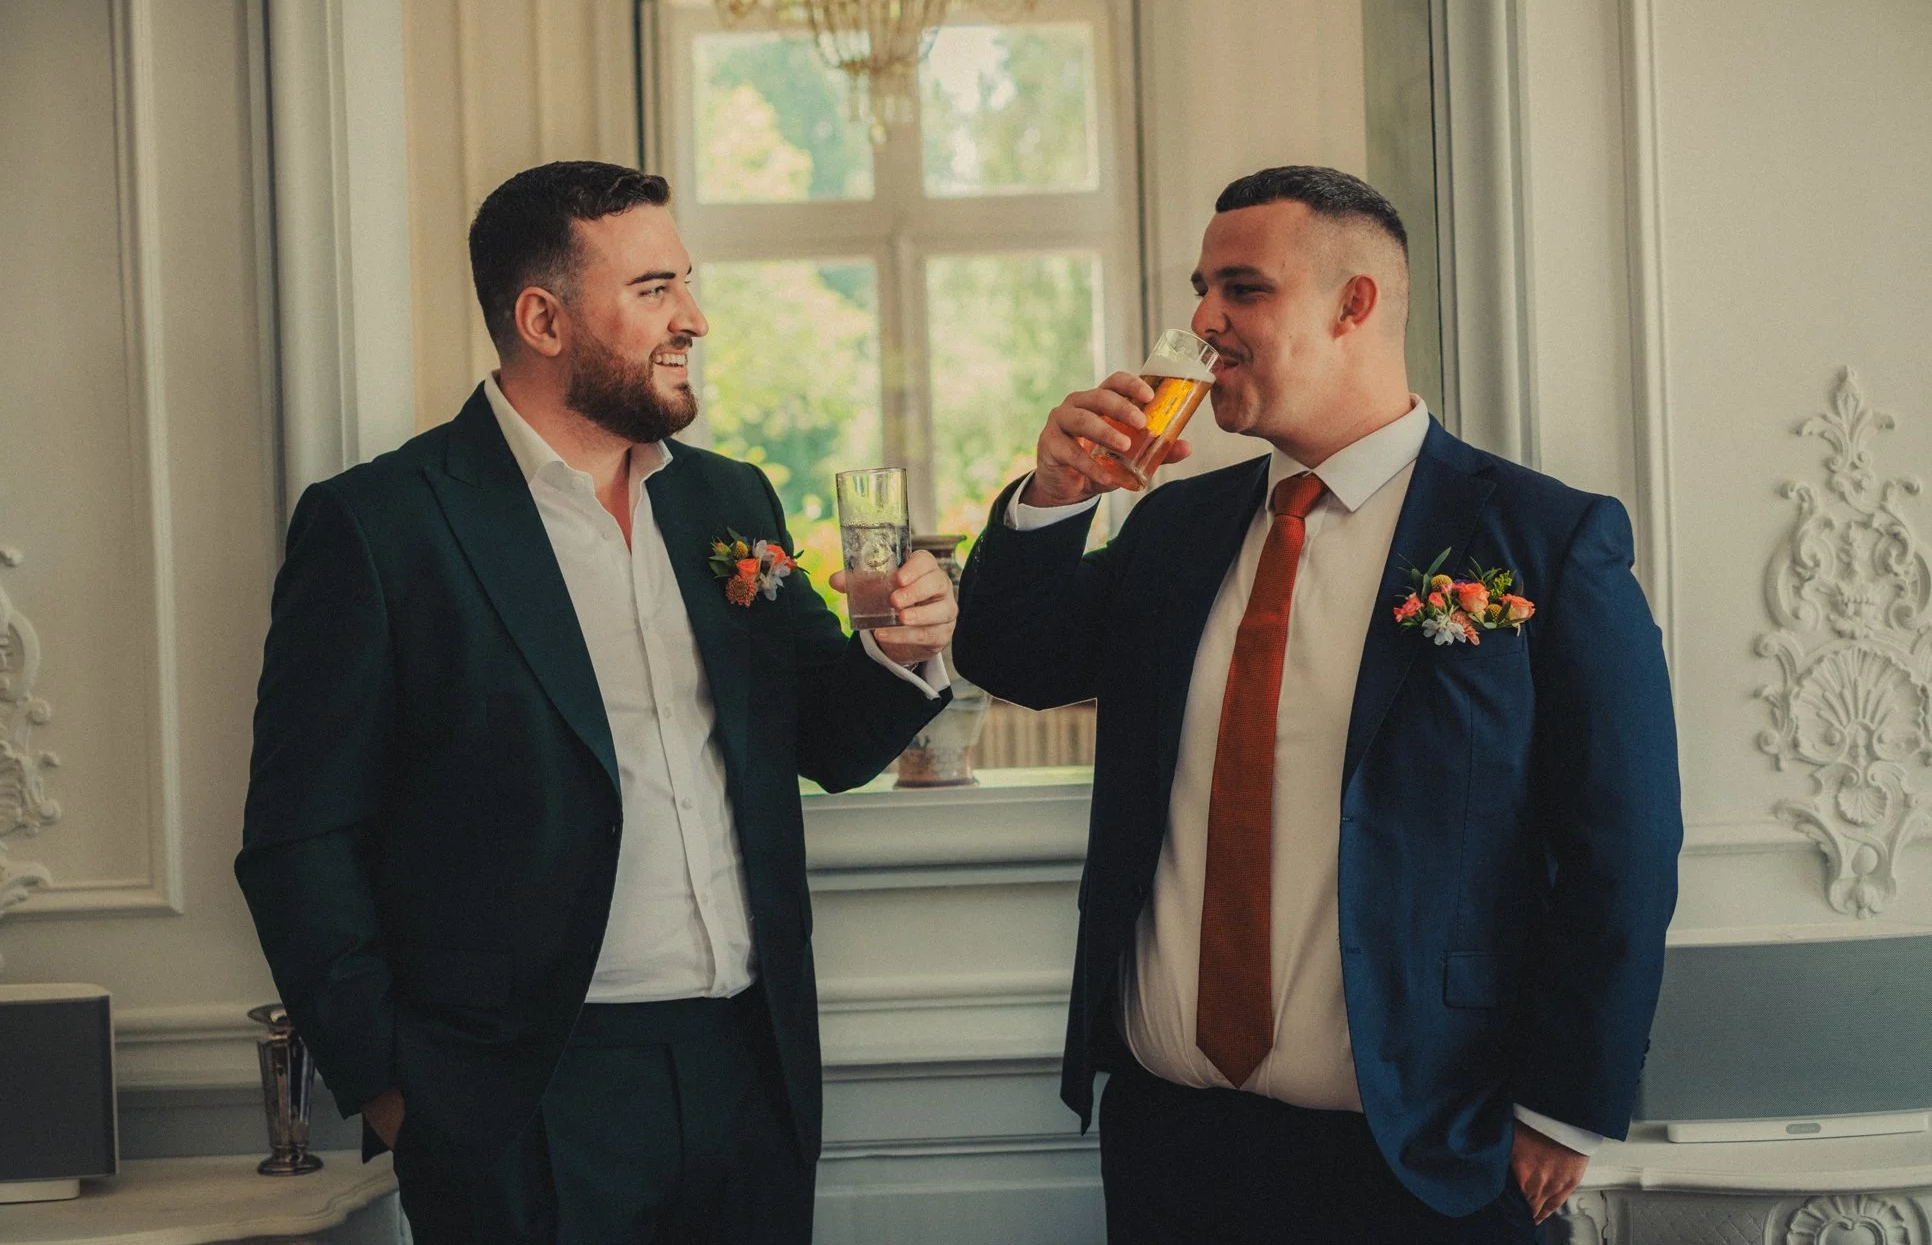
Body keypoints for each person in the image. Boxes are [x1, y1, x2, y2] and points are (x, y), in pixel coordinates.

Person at [952, 165, 1680, 1242]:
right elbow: (1015, 657)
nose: (1201, 321)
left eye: (1242, 289)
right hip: (1170, 1146)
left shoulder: (1543, 539)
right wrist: (1052, 499)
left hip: (1425, 1151)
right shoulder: (1172, 531)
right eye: (1202, 290)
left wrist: (1562, 1104)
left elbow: (1623, 840)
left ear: (1355, 304)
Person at [236, 160, 956, 1244]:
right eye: (655, 288)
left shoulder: (730, 497)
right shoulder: (380, 527)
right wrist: (391, 1084)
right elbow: (300, 836)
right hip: (516, 1096)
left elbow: (828, 741)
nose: (695, 319)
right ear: (543, 317)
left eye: (687, 283)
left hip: (747, 1071)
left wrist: (900, 649)